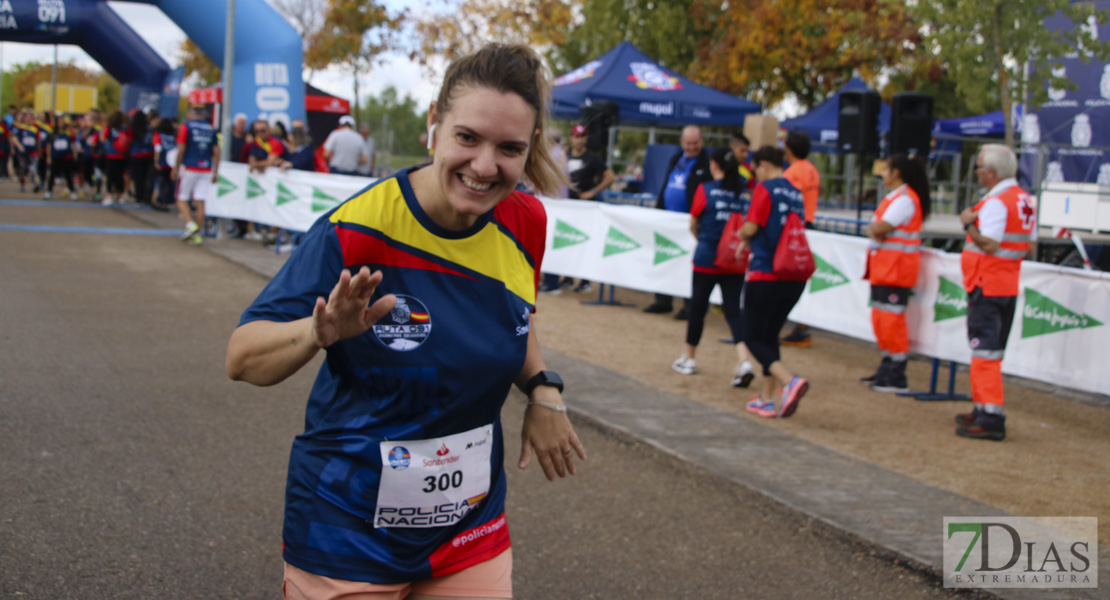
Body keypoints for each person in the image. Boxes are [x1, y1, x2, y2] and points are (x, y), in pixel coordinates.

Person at [225, 44, 584, 598]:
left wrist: (542, 389)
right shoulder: (357, 229)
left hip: (469, 526)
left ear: (530, 148)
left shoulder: (525, 222)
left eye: (509, 148)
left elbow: (515, 316)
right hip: (347, 526)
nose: (486, 166)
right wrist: (316, 333)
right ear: (434, 125)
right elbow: (242, 358)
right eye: (467, 137)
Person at [955, 144, 1036, 441]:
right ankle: (982, 408)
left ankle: (990, 415)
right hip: (1005, 283)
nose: (976, 172)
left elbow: (989, 243)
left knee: (984, 351)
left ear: (990, 172)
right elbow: (1029, 245)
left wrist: (969, 224)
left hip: (986, 283)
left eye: (978, 167)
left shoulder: (998, 201)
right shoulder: (1024, 200)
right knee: (989, 351)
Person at [671, 147, 757, 387]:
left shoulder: (705, 190)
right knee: (733, 311)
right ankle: (744, 361)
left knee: (698, 307)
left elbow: (693, 223)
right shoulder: (742, 194)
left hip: (707, 259)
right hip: (735, 262)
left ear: (715, 165)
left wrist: (704, 241)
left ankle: (689, 358)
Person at [737, 146, 810, 419]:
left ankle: (789, 382)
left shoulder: (764, 189)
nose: (754, 173)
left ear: (764, 165)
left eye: (755, 167)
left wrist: (743, 234)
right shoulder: (796, 193)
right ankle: (766, 400)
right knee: (769, 336)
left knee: (751, 336)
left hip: (766, 272)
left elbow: (752, 226)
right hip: (793, 276)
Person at [861, 154, 931, 393]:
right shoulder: (895, 198)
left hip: (896, 269)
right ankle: (887, 365)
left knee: (892, 321)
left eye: (887, 169)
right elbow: (877, 228)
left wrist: (874, 230)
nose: (883, 173)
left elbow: (880, 227)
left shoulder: (905, 199)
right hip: (885, 268)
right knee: (881, 319)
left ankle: (896, 373)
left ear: (897, 173)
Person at [644, 124, 712, 319]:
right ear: (682, 142)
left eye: (695, 143)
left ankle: (690, 305)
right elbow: (666, 184)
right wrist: (658, 211)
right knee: (664, 257)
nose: (692, 147)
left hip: (690, 221)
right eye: (688, 143)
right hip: (668, 219)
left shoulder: (706, 163)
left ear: (701, 142)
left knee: (689, 264)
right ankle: (662, 300)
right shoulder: (676, 159)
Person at [561, 123, 614, 293]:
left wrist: (592, 191)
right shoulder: (565, 156)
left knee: (584, 241)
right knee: (567, 239)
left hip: (585, 207)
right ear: (571, 137)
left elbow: (610, 177)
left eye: (582, 136)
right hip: (567, 205)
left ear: (586, 138)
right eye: (576, 136)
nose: (579, 139)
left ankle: (584, 280)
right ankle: (568, 276)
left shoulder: (593, 158)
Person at [780, 130, 821, 348]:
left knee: (790, 275)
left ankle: (799, 326)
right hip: (809, 223)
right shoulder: (812, 170)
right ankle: (802, 326)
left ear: (789, 148)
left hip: (796, 226)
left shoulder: (792, 173)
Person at [172, 105, 220, 246]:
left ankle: (190, 224)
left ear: (192, 114)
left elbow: (181, 149)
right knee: (200, 201)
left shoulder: (186, 126)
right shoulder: (211, 128)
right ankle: (197, 234)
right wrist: (215, 171)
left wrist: (176, 167)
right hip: (206, 168)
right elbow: (216, 152)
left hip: (190, 166)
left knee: (181, 198)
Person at [45, 116, 78, 199]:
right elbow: (49, 145)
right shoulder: (53, 132)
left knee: (68, 175)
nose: (61, 123)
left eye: (62, 121)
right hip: (56, 156)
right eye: (60, 121)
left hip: (67, 156)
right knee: (52, 175)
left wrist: (75, 153)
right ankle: (49, 191)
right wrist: (48, 157)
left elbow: (73, 143)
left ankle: (72, 192)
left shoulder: (68, 132)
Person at [102, 110, 130, 205]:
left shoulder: (109, 127)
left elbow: (102, 138)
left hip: (111, 154)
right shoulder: (125, 128)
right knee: (119, 176)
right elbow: (129, 140)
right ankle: (120, 195)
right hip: (122, 155)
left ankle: (109, 195)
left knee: (110, 176)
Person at [128, 111, 155, 205]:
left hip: (136, 154)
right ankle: (147, 197)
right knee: (146, 177)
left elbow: (129, 141)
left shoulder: (132, 128)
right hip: (148, 155)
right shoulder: (149, 129)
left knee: (138, 178)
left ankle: (139, 197)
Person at [151, 117, 177, 210]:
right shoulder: (173, 136)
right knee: (168, 184)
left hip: (162, 161)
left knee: (159, 182)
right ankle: (165, 202)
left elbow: (157, 148)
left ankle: (155, 200)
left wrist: (156, 161)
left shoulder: (158, 135)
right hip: (171, 163)